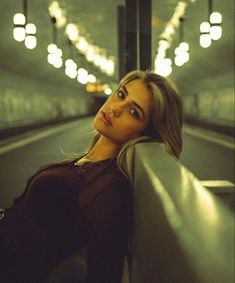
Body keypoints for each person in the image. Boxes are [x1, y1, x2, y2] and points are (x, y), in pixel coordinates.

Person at [0, 70, 183, 283]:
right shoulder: (91, 164)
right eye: (121, 95)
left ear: (145, 134)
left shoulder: (106, 189)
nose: (115, 108)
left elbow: (104, 272)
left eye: (134, 112)